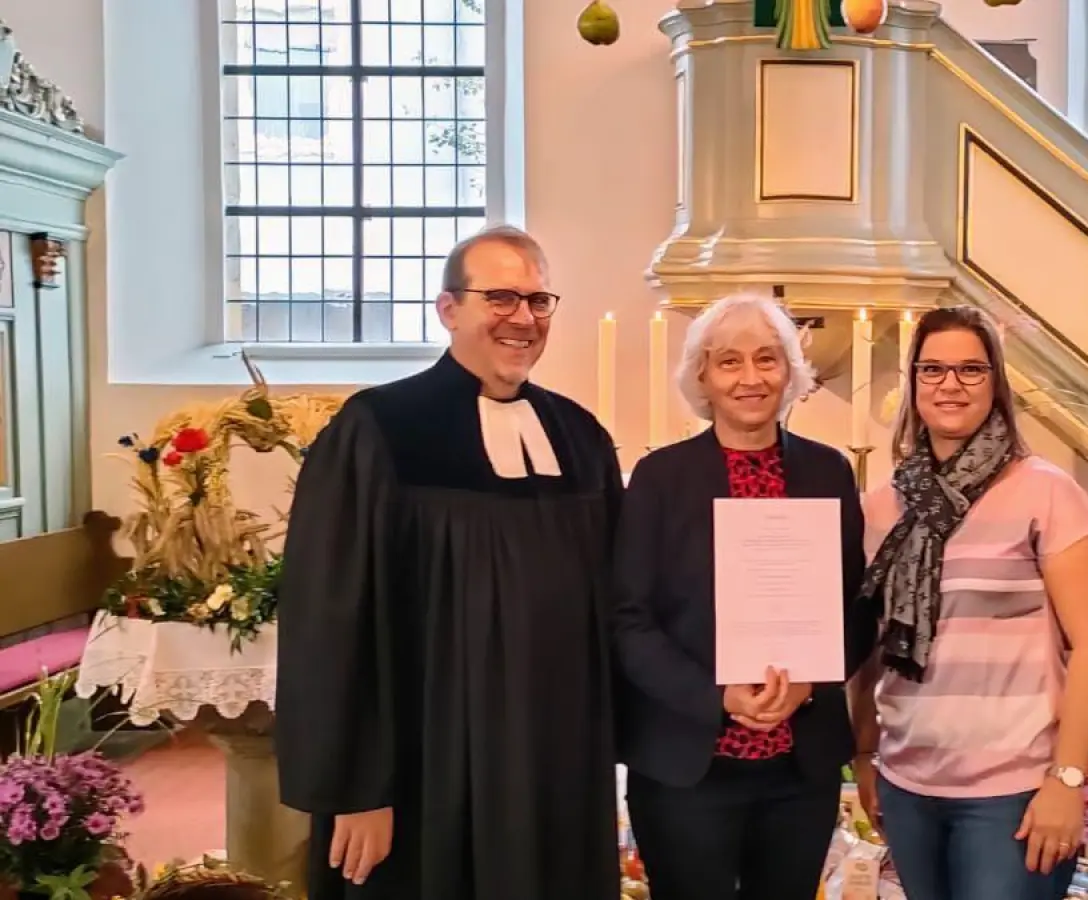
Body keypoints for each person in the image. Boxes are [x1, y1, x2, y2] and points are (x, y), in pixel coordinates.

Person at [274, 225, 623, 899]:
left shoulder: (579, 437)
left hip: (556, 763)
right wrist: (356, 789)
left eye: (538, 300)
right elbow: (330, 618)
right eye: (500, 297)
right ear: (448, 309)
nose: (523, 317)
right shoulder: (380, 430)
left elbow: (621, 602)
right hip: (426, 767)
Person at [611, 292, 879, 900]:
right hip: (687, 765)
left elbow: (857, 607)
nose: (750, 378)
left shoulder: (827, 472)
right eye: (728, 362)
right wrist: (719, 697)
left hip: (798, 765)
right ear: (701, 376)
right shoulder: (661, 479)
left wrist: (812, 679)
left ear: (790, 372)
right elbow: (628, 620)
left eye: (767, 359)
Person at [848, 305, 1088, 900]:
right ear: (913, 381)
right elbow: (869, 648)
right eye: (933, 369)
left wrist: (1067, 779)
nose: (950, 385)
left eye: (971, 370)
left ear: (995, 383)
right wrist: (866, 751)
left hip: (1012, 790)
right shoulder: (881, 507)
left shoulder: (1046, 492)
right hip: (908, 781)